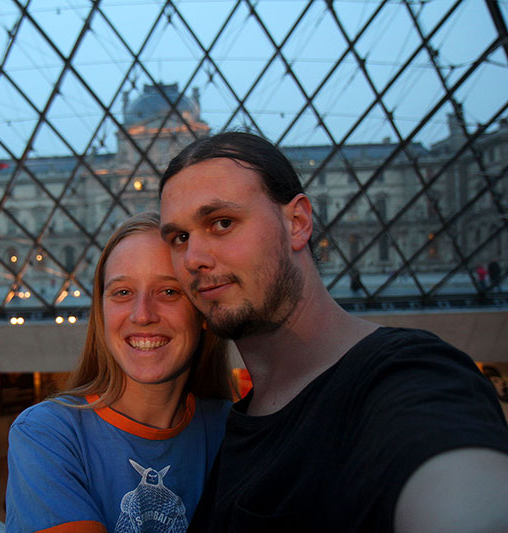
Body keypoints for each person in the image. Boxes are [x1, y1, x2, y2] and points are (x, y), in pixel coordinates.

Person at [158, 131, 508, 532]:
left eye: (222, 222)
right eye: (180, 237)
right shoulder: (230, 424)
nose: (194, 259)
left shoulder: (406, 379)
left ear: (298, 223)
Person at [5, 212, 234, 533]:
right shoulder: (45, 435)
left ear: (203, 312)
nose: (142, 315)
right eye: (122, 292)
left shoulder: (233, 430)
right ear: (101, 312)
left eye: (169, 291)